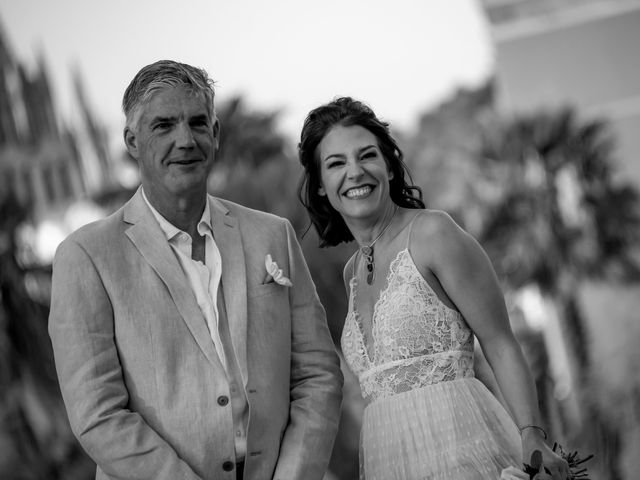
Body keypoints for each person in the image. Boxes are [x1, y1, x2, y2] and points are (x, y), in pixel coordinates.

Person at [48, 60, 343, 480]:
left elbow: (318, 374)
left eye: (197, 123)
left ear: (216, 133)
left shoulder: (272, 235)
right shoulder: (86, 256)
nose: (185, 140)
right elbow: (98, 414)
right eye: (164, 126)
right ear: (132, 141)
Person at [297, 97, 569, 480]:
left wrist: (532, 435)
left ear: (389, 167)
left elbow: (500, 341)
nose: (355, 172)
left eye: (367, 156)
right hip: (391, 464)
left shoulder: (433, 233)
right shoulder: (351, 274)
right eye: (336, 163)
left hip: (469, 455)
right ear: (322, 185)